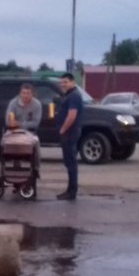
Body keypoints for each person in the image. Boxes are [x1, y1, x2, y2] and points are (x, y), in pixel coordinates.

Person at [56, 72, 84, 200]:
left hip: (70, 133)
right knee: (69, 162)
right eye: (61, 82)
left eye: (66, 82)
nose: (63, 84)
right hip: (68, 133)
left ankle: (72, 192)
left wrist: (63, 129)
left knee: (71, 163)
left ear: (72, 82)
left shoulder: (74, 96)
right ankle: (70, 190)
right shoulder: (69, 95)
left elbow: (72, 115)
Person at [6, 82, 43, 175]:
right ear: (20, 93)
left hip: (30, 132)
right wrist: (13, 124)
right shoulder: (13, 103)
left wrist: (19, 124)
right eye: (23, 93)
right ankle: (13, 166)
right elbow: (8, 121)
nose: (25, 95)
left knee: (36, 143)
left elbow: (35, 123)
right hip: (14, 131)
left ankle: (36, 169)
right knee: (5, 141)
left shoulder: (37, 104)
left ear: (32, 94)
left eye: (28, 93)